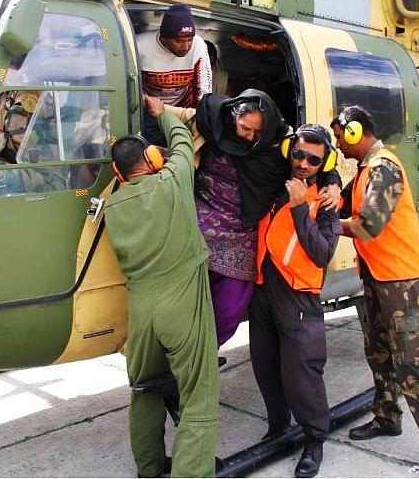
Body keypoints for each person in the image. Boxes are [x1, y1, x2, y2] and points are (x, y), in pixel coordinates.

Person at [146, 90, 340, 347]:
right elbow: (184, 116)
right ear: (233, 117)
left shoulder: (278, 140)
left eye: (258, 132)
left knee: (229, 308)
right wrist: (159, 110)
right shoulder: (215, 122)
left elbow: (314, 157)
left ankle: (202, 351)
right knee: (180, 298)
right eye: (245, 128)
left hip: (241, 232)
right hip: (196, 219)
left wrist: (333, 181)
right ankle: (176, 353)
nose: (250, 137)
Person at [331, 105, 419, 478]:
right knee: (380, 351)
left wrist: (326, 222)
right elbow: (347, 204)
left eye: (340, 136)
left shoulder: (384, 168)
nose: (338, 144)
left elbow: (368, 225)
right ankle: (387, 417)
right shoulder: (365, 170)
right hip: (376, 277)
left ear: (355, 132)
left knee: (414, 363)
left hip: (401, 282)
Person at [104, 105, 219, 478]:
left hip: (142, 314)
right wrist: (164, 112)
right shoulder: (172, 179)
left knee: (144, 390)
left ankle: (150, 468)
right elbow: (183, 141)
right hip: (182, 306)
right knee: (199, 397)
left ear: (117, 174)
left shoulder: (112, 205)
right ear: (153, 159)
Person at [249, 125, 341, 478]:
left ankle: (314, 439)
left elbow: (322, 254)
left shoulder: (327, 203)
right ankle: (277, 426)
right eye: (299, 154)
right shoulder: (276, 181)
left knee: (302, 373)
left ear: (324, 162)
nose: (303, 164)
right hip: (263, 292)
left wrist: (303, 208)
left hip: (299, 298)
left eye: (314, 160)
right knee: (266, 366)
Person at [137, 4, 211, 143]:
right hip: (148, 108)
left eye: (189, 40)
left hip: (182, 110)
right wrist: (146, 101)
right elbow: (130, 83)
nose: (186, 46)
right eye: (179, 41)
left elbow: (203, 89)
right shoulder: (140, 45)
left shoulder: (198, 46)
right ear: (164, 38)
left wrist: (199, 119)